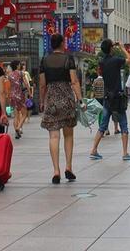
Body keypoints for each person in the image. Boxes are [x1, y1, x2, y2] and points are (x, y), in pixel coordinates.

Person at [39, 34, 84, 183]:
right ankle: (69, 167)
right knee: (69, 135)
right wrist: (80, 99)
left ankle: (56, 170)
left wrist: (41, 101)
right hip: (66, 99)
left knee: (53, 136)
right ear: (62, 43)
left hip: (51, 99)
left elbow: (42, 84)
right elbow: (74, 81)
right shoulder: (68, 59)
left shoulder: (44, 60)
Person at [90, 39, 130, 160]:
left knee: (103, 126)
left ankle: (94, 150)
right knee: (123, 125)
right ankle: (125, 153)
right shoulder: (116, 60)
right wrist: (122, 47)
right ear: (111, 48)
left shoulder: (102, 62)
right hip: (117, 98)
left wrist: (112, 46)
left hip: (107, 98)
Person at [8, 59, 30, 139]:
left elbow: (10, 87)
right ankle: (18, 128)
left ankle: (16, 132)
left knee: (16, 115)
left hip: (12, 95)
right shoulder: (21, 73)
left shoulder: (10, 75)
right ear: (17, 65)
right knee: (24, 114)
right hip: (20, 95)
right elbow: (26, 83)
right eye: (19, 64)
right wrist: (30, 93)